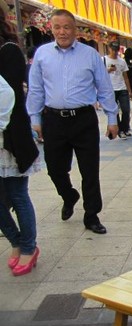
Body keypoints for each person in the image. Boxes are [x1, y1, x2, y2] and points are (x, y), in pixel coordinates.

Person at [27, 8, 119, 235]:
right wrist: (35, 118)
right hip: (53, 120)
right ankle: (69, 195)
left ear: (75, 30)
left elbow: (104, 87)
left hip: (84, 120)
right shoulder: (42, 54)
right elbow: (36, 89)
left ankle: (91, 215)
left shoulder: (90, 55)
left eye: (66, 27)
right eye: (57, 27)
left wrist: (111, 118)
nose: (62, 32)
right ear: (51, 29)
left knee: (90, 171)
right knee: (55, 169)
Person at [0, 12, 42, 276]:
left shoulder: (9, 51)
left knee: (17, 194)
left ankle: (28, 246)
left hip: (10, 139)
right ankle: (16, 241)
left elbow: (10, 96)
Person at [105, 42, 132, 138]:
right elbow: (99, 75)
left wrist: (130, 91)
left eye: (116, 50)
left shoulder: (122, 61)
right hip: (110, 89)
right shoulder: (103, 60)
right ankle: (120, 130)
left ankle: (125, 129)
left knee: (126, 110)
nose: (114, 52)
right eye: (113, 50)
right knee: (115, 111)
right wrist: (108, 70)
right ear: (109, 48)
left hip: (122, 88)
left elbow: (126, 77)